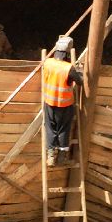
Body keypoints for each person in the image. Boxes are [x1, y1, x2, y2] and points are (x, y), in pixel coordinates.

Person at [41, 35, 83, 167]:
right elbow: (80, 82)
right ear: (67, 54)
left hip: (49, 103)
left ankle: (51, 156)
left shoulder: (47, 63)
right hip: (65, 105)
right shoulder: (68, 68)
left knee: (50, 128)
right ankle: (62, 156)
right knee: (64, 129)